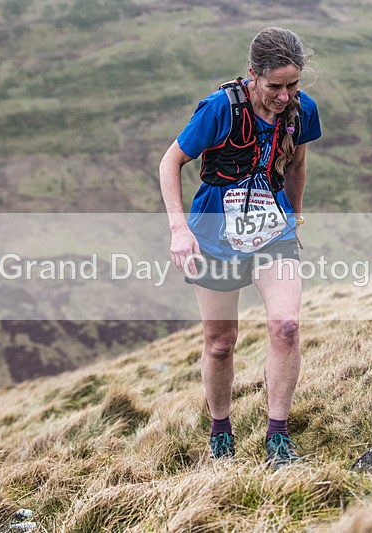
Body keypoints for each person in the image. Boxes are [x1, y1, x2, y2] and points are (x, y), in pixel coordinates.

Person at [159, 27, 321, 470]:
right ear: (253, 75)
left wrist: (296, 216)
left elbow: (298, 162)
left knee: (286, 326)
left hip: (273, 231)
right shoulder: (219, 109)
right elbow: (170, 162)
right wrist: (179, 230)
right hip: (214, 235)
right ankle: (220, 431)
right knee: (220, 344)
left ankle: (277, 436)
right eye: (274, 86)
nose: (284, 96)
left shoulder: (301, 110)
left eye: (293, 85)